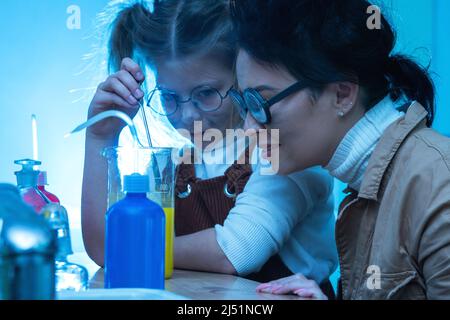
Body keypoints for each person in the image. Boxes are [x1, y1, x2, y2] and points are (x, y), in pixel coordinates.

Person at [81, 0, 338, 295]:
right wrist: (100, 137)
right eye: (169, 97)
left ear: (244, 76)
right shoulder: (175, 164)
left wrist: (134, 245)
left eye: (206, 93)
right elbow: (104, 247)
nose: (188, 115)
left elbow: (236, 252)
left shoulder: (286, 152)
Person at [231, 0, 450, 299]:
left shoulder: (439, 184)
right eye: (244, 103)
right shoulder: (363, 183)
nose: (248, 128)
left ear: (342, 94)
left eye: (261, 103)